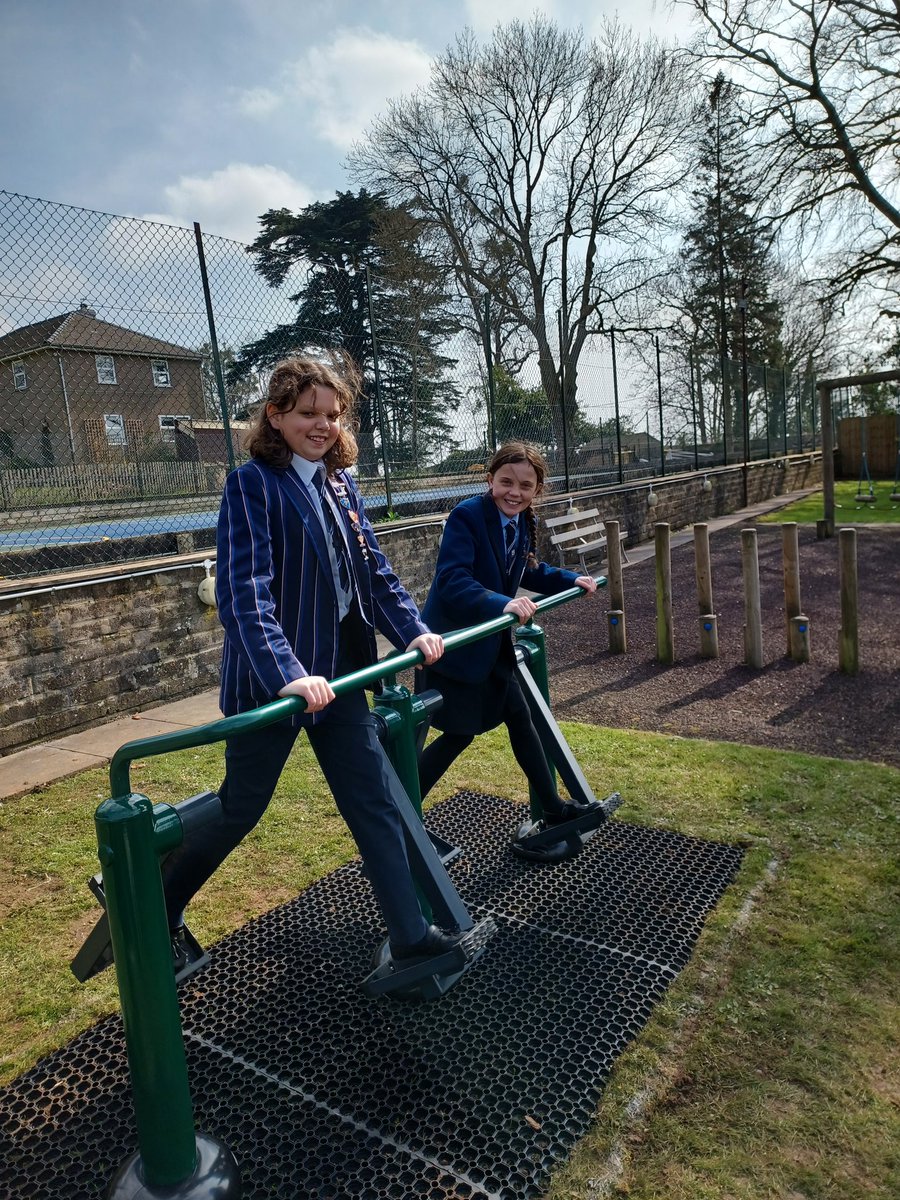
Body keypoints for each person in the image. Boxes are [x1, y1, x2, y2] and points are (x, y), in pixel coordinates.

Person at [162, 356, 464, 971]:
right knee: (242, 805)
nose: (321, 425)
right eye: (307, 414)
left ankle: (409, 937)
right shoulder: (253, 484)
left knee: (372, 798)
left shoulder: (339, 482)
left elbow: (373, 574)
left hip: (343, 675)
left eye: (331, 414)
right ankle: (159, 901)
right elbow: (246, 591)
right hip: (277, 682)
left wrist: (413, 630)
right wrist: (287, 674)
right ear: (275, 416)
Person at [416, 441, 601, 824]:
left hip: (491, 645)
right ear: (490, 480)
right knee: (457, 734)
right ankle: (399, 813)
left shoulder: (520, 522)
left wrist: (571, 579)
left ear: (537, 490)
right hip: (456, 647)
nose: (514, 493)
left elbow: (526, 570)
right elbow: (452, 580)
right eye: (506, 482)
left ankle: (552, 807)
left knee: (521, 717)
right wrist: (501, 603)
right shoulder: (468, 516)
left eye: (525, 486)